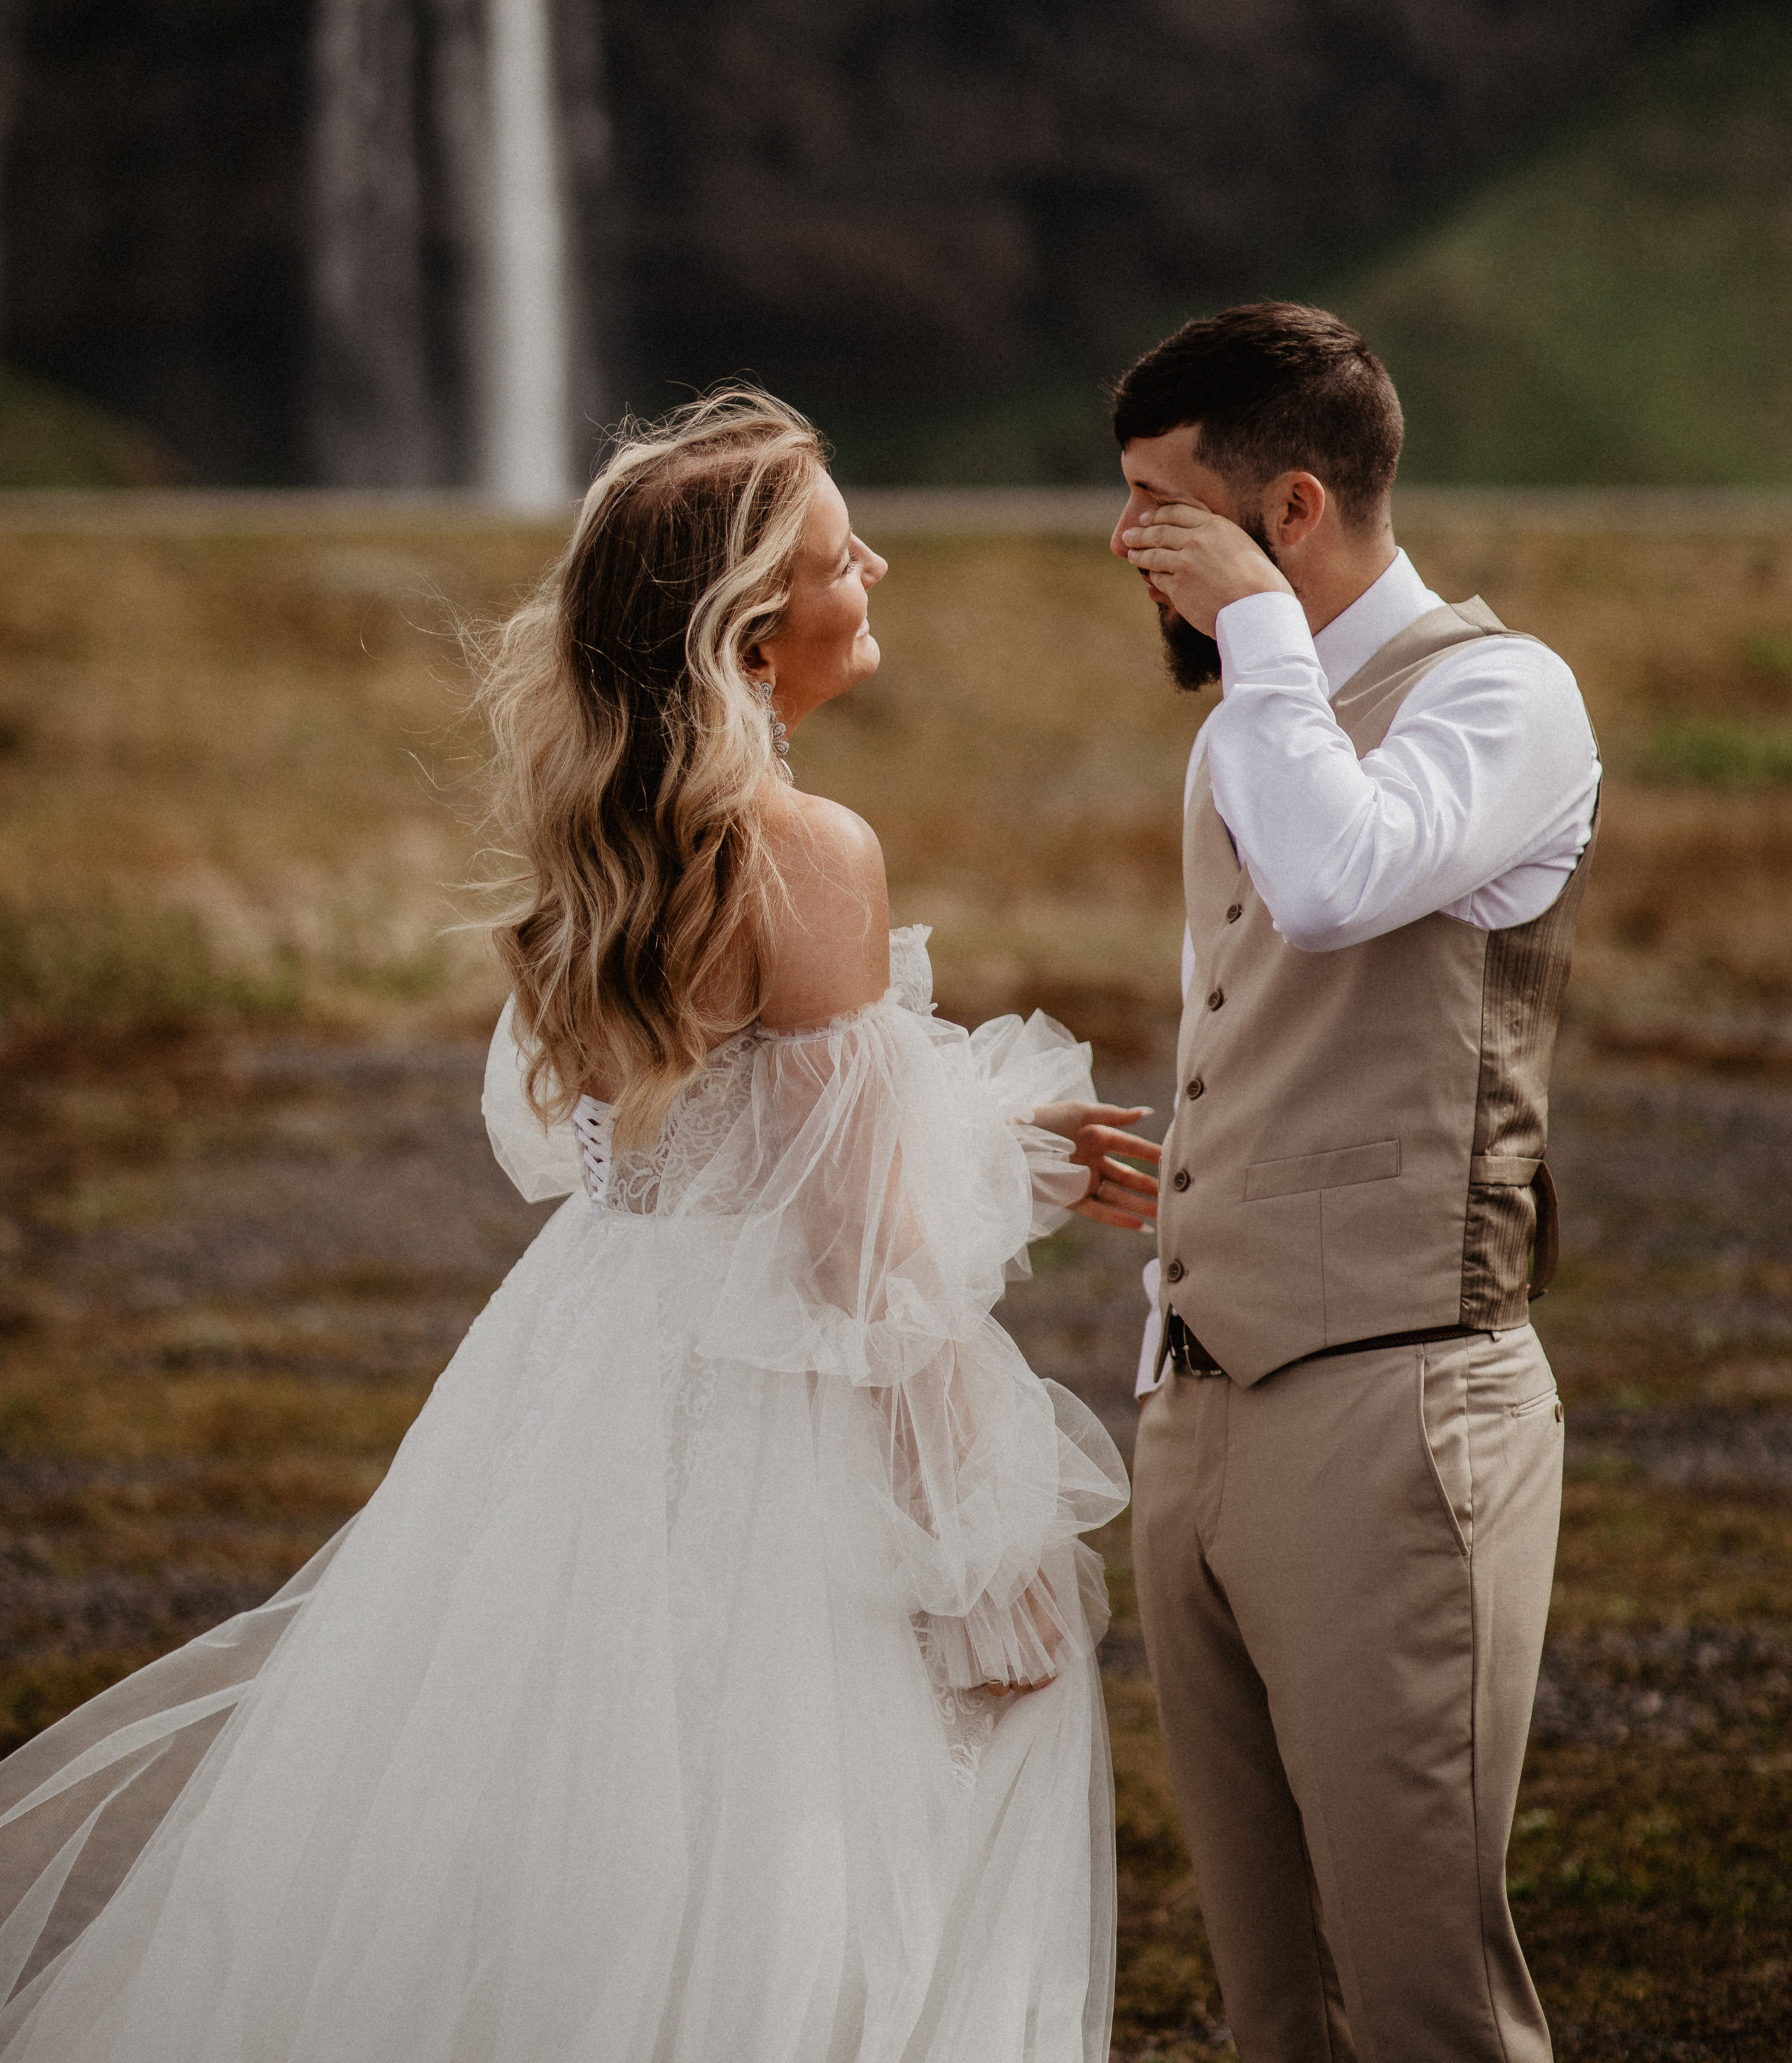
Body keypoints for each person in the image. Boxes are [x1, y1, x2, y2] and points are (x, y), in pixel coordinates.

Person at [0, 386, 1159, 2063]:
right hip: (782, 1442)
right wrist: (968, 1543)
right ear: (755, 638)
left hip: (587, 1387)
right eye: (846, 558)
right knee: (807, 1844)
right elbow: (847, 1265)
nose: (882, 570)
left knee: (563, 1811)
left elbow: (685, 1168)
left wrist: (981, 1136)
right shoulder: (806, 850)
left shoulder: (605, 849)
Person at [1112, 303, 1599, 2063]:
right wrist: (1185, 1194)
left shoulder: (1502, 694)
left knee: (1423, 2003)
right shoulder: (1247, 719)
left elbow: (1332, 885)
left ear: (1289, 509)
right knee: (1272, 2009)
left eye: (1162, 508)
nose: (1127, 548)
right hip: (1199, 1413)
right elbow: (1274, 1029)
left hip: (1396, 1415)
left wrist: (1253, 627)